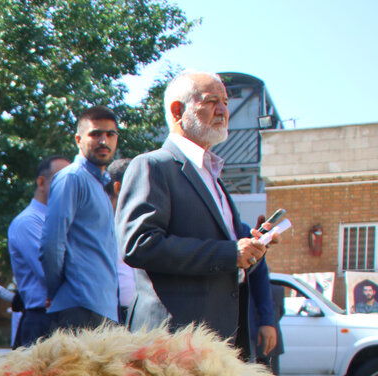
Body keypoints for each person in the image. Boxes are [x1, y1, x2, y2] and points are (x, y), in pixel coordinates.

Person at [116, 70, 276, 360]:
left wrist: (250, 253)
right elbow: (138, 244)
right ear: (178, 111)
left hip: (216, 345)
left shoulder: (213, 177)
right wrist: (229, 253)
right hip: (171, 346)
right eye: (212, 101)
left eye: (226, 101)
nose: (224, 110)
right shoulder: (153, 166)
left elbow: (226, 260)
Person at [40, 106, 121, 332]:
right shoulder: (72, 178)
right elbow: (51, 243)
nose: (103, 141)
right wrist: (58, 291)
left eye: (110, 134)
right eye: (95, 134)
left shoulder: (99, 184)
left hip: (102, 309)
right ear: (78, 139)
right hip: (79, 308)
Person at [8, 155, 70, 347]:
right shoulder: (28, 222)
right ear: (41, 182)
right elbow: (52, 271)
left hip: (61, 317)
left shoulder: (63, 219)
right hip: (42, 320)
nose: (69, 187)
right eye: (62, 180)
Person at [103, 158, 137, 324]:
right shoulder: (99, 223)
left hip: (137, 313)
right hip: (112, 316)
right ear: (118, 187)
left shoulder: (135, 220)